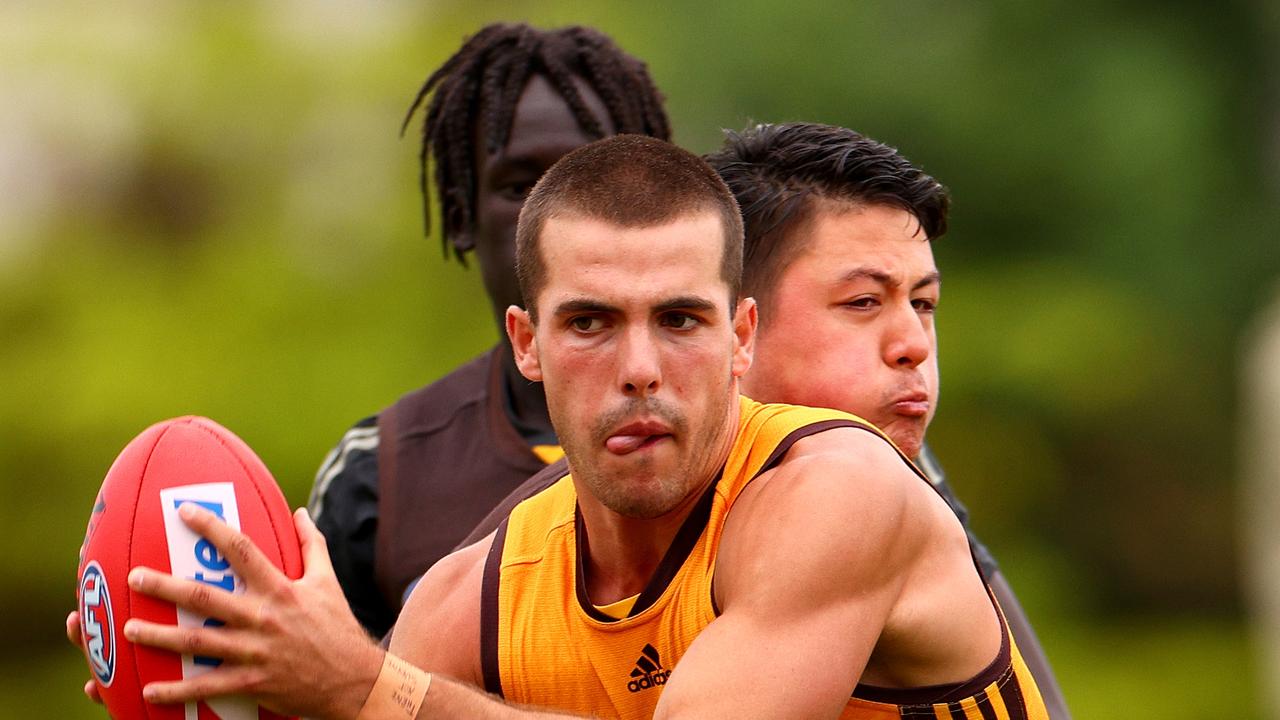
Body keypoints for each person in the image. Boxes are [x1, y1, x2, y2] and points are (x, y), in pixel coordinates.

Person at [100, 135, 1047, 719]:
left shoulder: (841, 488)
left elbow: (384, 702)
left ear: (740, 338)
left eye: (679, 319)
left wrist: (360, 688)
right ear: (527, 342)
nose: (639, 368)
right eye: (590, 322)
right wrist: (207, 668)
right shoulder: (465, 599)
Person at [456, 123, 1070, 716]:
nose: (914, 342)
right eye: (863, 302)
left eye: (924, 303)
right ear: (739, 329)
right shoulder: (505, 558)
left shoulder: (873, 489)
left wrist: (399, 696)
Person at [307, 22, 670, 636]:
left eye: (591, 179)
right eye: (518, 185)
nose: (559, 218)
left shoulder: (767, 443)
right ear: (460, 217)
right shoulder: (380, 475)